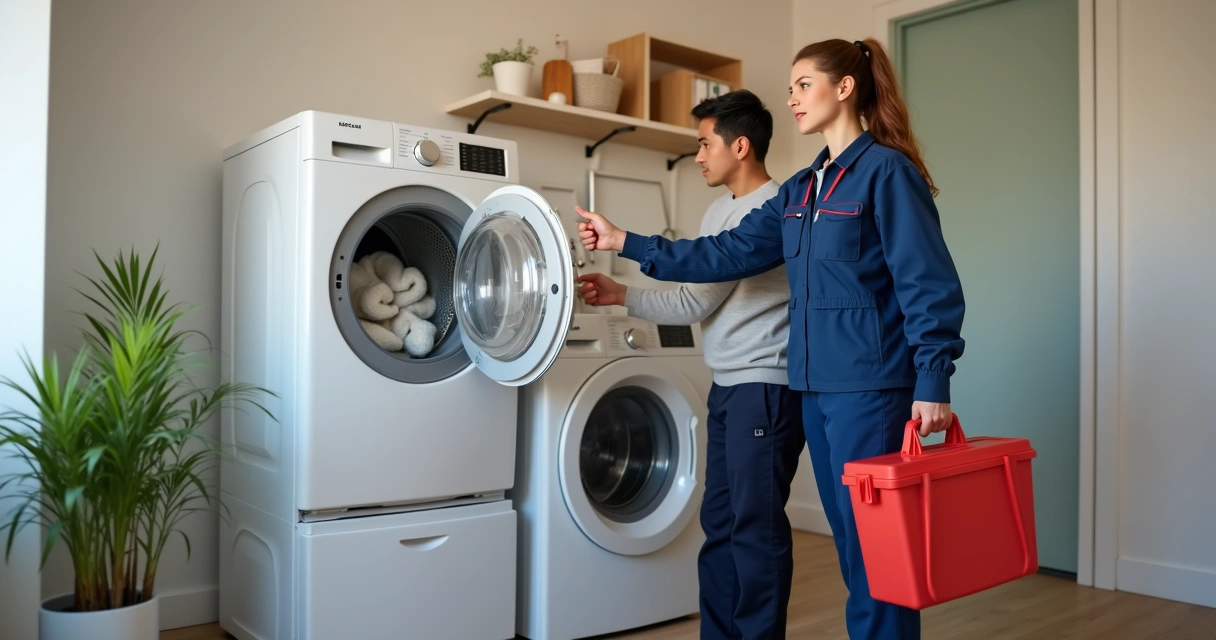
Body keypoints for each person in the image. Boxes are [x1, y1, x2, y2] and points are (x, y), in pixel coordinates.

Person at [576, 38, 965, 640]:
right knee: (850, 547)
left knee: (877, 555)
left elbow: (927, 282)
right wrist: (626, 240)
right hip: (811, 391)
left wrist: (933, 380)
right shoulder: (801, 191)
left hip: (874, 391)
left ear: (845, 88)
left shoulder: (887, 172)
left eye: (803, 86)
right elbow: (724, 252)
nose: (792, 100)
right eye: (790, 89)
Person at [577, 90, 806, 640]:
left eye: (705, 144)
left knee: (754, 531)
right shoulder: (719, 210)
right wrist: (619, 296)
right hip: (729, 387)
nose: (698, 156)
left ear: (741, 145)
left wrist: (625, 260)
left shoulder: (771, 211)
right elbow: (693, 298)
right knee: (721, 525)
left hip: (764, 388)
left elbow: (695, 299)